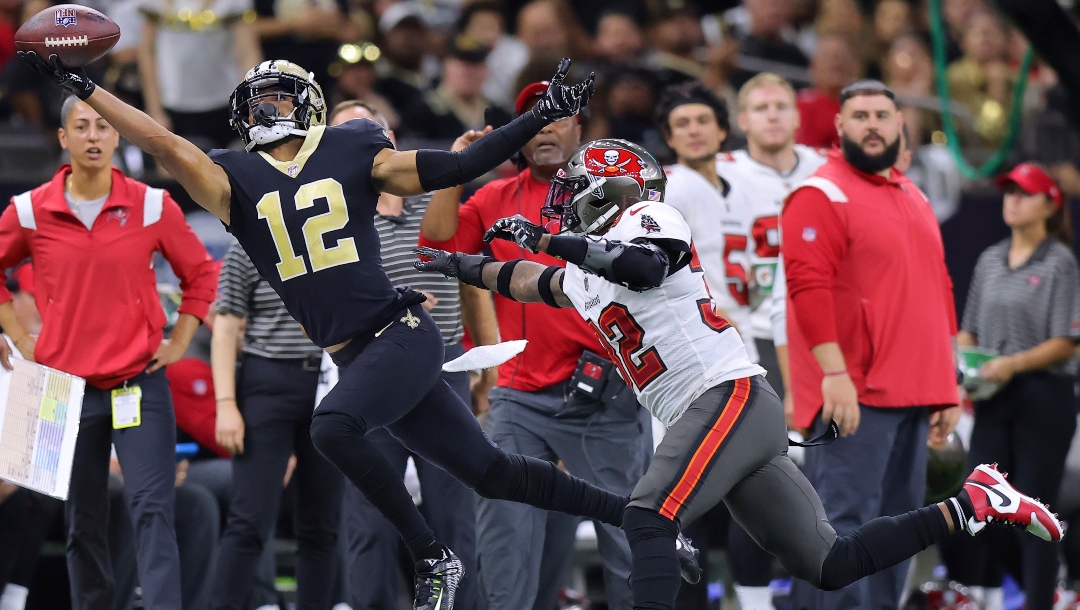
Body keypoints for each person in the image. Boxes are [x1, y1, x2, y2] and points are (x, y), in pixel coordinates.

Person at [17, 48, 675, 610]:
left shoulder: (356, 148)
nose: (271, 109)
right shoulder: (232, 180)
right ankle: (641, 518)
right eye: (261, 100)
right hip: (361, 355)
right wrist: (86, 85)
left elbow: (451, 170)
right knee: (493, 472)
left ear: (308, 104)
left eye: (282, 97)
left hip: (403, 331)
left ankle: (430, 556)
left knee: (332, 427)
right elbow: (163, 143)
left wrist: (534, 115)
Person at [415, 137, 1065, 610]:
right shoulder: (586, 269)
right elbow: (526, 282)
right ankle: (974, 501)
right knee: (831, 563)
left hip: (723, 396)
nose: (564, 200)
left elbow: (639, 268)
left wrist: (549, 239)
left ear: (612, 188)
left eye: (577, 187)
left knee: (647, 519)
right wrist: (456, 266)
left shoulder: (648, 218)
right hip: (724, 413)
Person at [418, 81, 654, 610]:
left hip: (601, 393)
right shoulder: (494, 198)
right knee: (503, 534)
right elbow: (436, 241)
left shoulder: (618, 191)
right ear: (518, 134)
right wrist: (455, 168)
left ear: (579, 126)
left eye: (558, 116)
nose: (546, 126)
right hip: (519, 395)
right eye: (532, 117)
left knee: (626, 535)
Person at [0, 94, 218, 610]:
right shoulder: (30, 210)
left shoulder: (150, 204)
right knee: (83, 519)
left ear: (118, 136)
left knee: (152, 510)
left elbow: (201, 272)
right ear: (63, 138)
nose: (94, 136)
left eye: (103, 126)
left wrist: (182, 339)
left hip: (137, 380)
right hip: (59, 386)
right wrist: (14, 333)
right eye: (82, 126)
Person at [780, 80, 961, 610]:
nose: (873, 125)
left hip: (913, 391)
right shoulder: (821, 193)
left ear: (900, 123)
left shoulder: (912, 192)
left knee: (899, 530)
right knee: (840, 529)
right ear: (839, 127)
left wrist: (945, 384)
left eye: (883, 114)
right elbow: (806, 288)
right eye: (860, 116)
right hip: (854, 393)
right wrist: (834, 375)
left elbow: (937, 289)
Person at [328, 100, 484, 610]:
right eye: (342, 132)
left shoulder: (430, 209)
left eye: (367, 128)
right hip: (373, 374)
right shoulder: (328, 223)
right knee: (369, 516)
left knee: (455, 511)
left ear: (390, 140)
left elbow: (469, 280)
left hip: (445, 370)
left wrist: (489, 367)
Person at [949, 162, 1080, 609]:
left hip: (1044, 396)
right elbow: (969, 328)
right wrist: (964, 360)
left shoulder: (1059, 262)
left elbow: (1068, 340)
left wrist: (1013, 363)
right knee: (980, 505)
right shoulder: (989, 258)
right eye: (1008, 192)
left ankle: (1041, 600)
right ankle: (1051, 591)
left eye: (1024, 193)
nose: (1013, 200)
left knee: (1032, 509)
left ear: (1049, 204)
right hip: (992, 395)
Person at [717, 73, 826, 608]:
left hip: (819, 341)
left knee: (824, 477)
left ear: (798, 115)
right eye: (760, 107)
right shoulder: (713, 174)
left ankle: (819, 594)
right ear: (741, 120)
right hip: (749, 341)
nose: (773, 115)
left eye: (782, 105)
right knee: (758, 476)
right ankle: (756, 601)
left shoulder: (827, 170)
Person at [210, 238, 344, 610]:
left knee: (322, 525)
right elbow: (225, 327)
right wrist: (226, 405)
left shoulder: (337, 237)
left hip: (330, 380)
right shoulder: (248, 244)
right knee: (249, 520)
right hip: (267, 382)